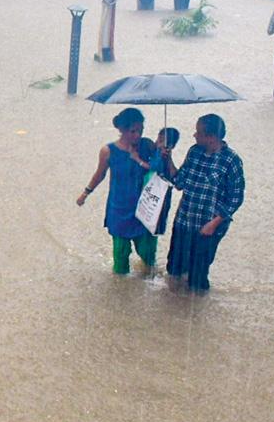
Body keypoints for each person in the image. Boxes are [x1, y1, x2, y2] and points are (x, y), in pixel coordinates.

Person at [161, 114, 245, 293]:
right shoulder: (194, 151)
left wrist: (214, 224)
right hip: (184, 221)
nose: (194, 135)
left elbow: (236, 198)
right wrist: (168, 160)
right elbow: (180, 182)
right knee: (174, 270)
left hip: (208, 228)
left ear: (211, 137)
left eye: (198, 132)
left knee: (197, 280)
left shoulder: (231, 161)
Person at [76, 108, 160, 274]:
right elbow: (100, 175)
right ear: (121, 129)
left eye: (141, 130)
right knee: (120, 257)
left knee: (148, 253)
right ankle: (121, 293)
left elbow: (159, 168)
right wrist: (86, 193)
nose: (137, 135)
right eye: (133, 131)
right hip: (119, 208)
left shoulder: (147, 146)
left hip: (144, 208)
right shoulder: (108, 151)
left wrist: (161, 151)